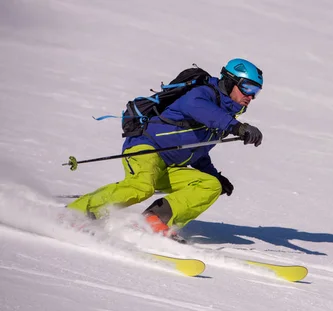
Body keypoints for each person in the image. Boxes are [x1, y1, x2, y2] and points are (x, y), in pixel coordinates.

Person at [67, 58, 264, 241]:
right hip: (145, 149)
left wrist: (215, 176)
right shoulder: (202, 94)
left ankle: (153, 221)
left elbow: (197, 150)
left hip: (169, 166)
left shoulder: (223, 117)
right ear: (230, 81)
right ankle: (75, 213)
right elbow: (200, 109)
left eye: (256, 92)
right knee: (141, 187)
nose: (250, 96)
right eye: (247, 87)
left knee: (210, 185)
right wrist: (237, 127)